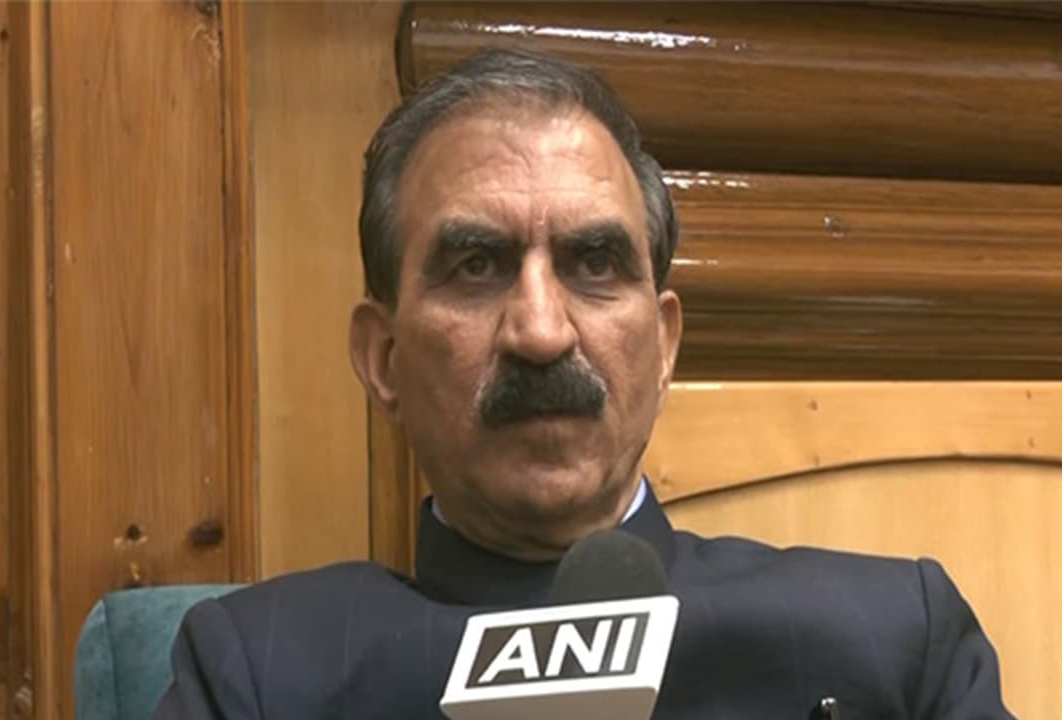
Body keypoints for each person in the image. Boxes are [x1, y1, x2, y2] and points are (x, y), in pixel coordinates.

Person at [154, 48, 1013, 719]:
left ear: (664, 345)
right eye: (477, 266)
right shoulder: (253, 673)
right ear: (383, 360)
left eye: (595, 263)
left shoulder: (896, 634)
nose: (541, 332)